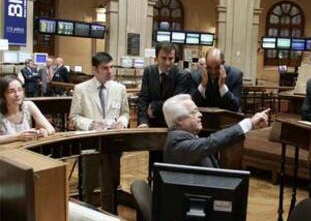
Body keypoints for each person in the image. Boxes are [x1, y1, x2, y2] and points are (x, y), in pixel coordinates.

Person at [69, 52, 129, 212]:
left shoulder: (120, 89)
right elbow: (74, 117)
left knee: (110, 185)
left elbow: (125, 113)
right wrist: (90, 124)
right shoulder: (81, 89)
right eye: (105, 68)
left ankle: (109, 217)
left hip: (112, 143)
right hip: (90, 143)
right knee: (88, 185)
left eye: (111, 67)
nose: (110, 71)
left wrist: (122, 123)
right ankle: (87, 218)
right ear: (95, 70)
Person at [162, 94, 269, 167]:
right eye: (194, 112)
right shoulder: (176, 144)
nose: (200, 114)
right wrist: (249, 122)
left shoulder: (184, 137)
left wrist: (252, 126)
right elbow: (212, 142)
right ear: (179, 120)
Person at [137, 41, 191, 128]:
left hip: (172, 125)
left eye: (171, 58)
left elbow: (175, 103)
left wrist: (154, 106)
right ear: (156, 58)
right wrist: (143, 121)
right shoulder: (149, 71)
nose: (167, 63)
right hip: (150, 123)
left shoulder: (182, 75)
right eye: (163, 58)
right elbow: (143, 99)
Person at [0, 75, 55, 144]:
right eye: (11, 91)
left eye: (20, 90)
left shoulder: (28, 105)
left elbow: (51, 129)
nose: (17, 94)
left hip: (26, 150)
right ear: (3, 95)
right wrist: (18, 136)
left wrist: (43, 132)